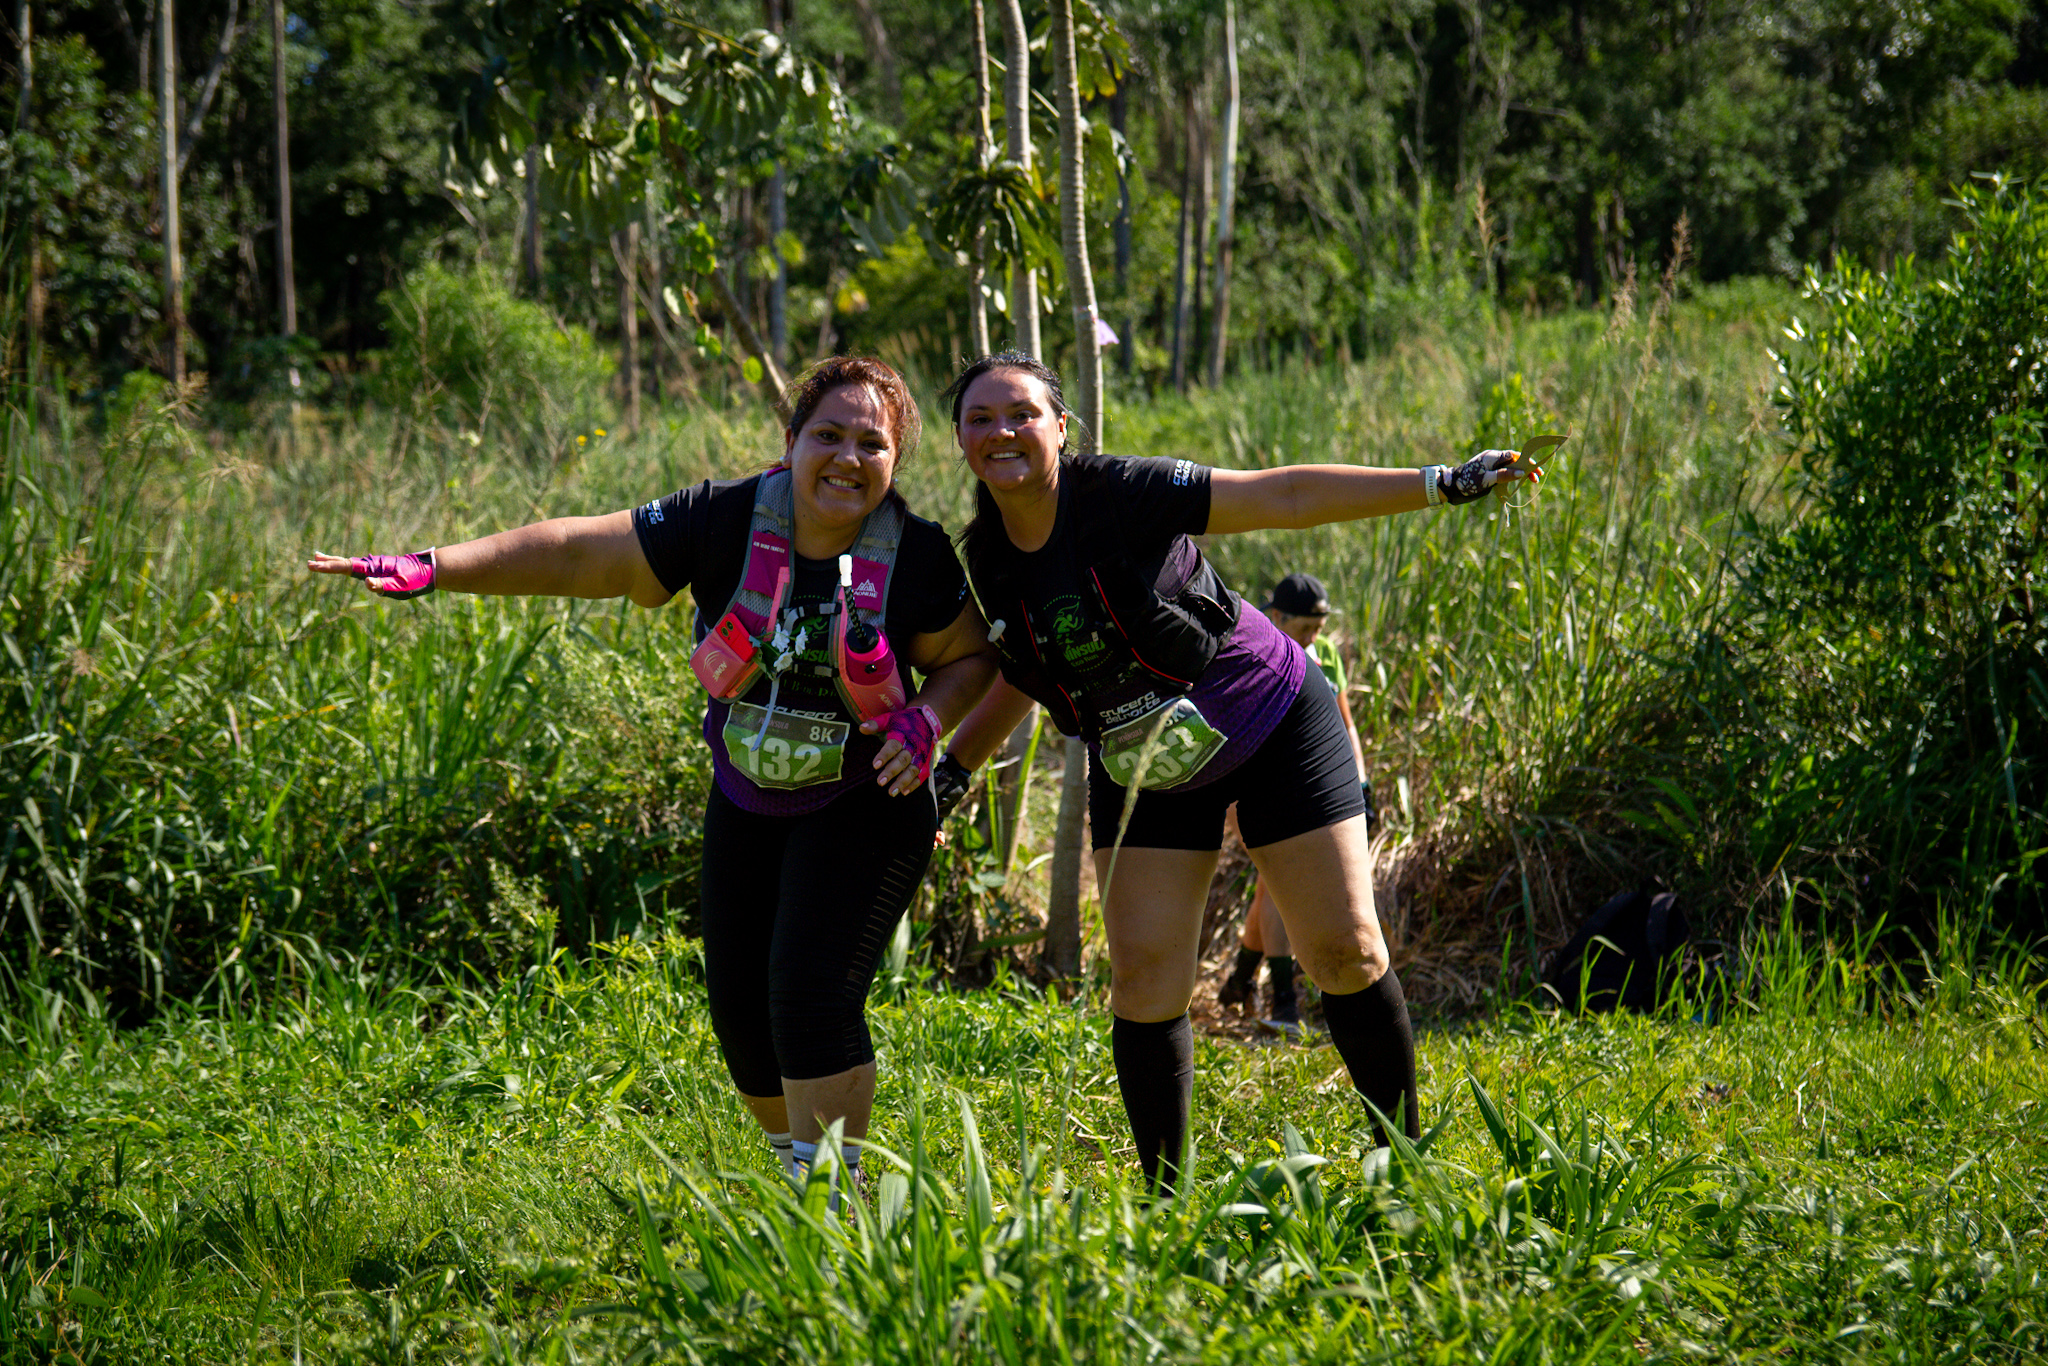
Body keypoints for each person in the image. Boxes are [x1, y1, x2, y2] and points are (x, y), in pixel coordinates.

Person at [310, 357, 996, 1192]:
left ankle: (836, 1196)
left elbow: (971, 659)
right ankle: (803, 1180)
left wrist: (928, 720)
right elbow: (574, 554)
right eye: (827, 434)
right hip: (749, 789)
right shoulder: (723, 520)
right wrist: (434, 566)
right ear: (789, 443)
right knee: (742, 1015)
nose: (847, 457)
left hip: (868, 796)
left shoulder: (917, 556)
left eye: (871, 442)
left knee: (810, 998)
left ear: (895, 463)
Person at [928, 352, 1534, 1194]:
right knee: (1143, 977)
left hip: (1269, 715)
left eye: (1023, 413)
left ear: (1061, 428)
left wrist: (1441, 482)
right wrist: (949, 774)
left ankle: (1405, 1176)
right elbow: (1019, 677)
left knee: (1346, 951)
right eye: (980, 418)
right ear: (959, 441)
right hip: (1145, 763)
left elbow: (1280, 496)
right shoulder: (988, 564)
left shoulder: (1123, 493)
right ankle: (1169, 1203)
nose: (1003, 431)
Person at [1216, 573, 1370, 1038]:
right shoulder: (1251, 649)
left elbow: (1345, 722)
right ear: (1277, 617)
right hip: (1256, 787)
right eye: (1305, 629)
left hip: (1310, 786)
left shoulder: (1323, 658)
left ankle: (1241, 982)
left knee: (1271, 889)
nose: (1312, 639)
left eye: (1319, 629)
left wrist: (1359, 778)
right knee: (1275, 886)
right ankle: (1283, 1004)